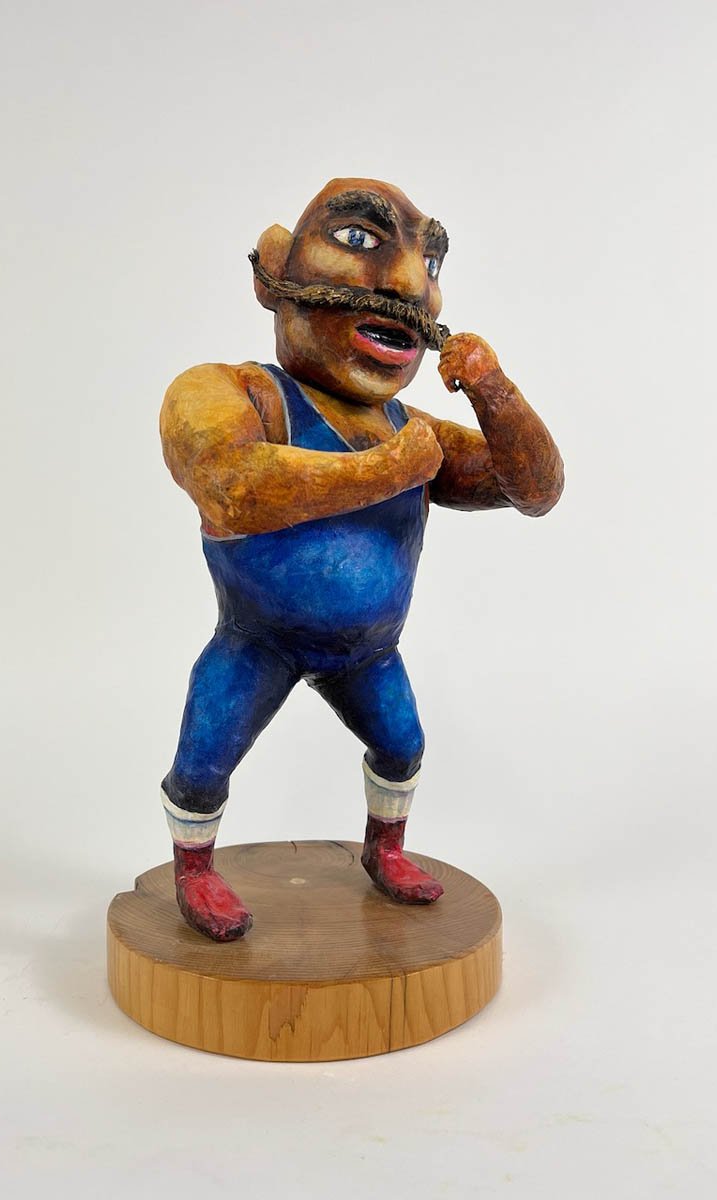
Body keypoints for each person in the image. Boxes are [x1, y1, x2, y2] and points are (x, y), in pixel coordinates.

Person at [159, 178, 564, 941]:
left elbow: (535, 489)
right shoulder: (237, 392)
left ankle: (386, 848)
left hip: (369, 653)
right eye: (357, 239)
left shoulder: (407, 429)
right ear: (274, 271)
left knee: (402, 746)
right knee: (203, 761)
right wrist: (386, 470)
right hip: (258, 641)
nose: (410, 283)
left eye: (430, 262)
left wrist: (493, 391)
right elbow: (226, 483)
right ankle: (194, 868)